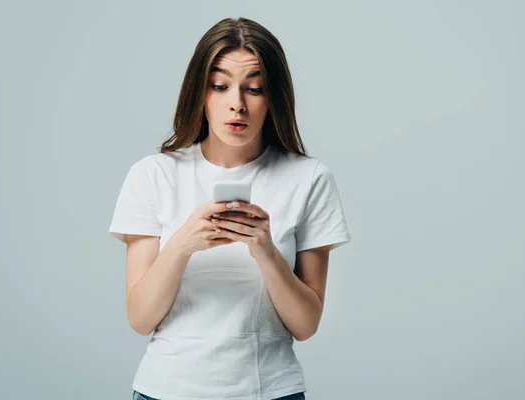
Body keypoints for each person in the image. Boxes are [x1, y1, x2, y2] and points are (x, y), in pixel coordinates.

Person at [109, 17, 351, 400]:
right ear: (199, 93)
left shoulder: (309, 179)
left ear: (273, 98)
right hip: (165, 391)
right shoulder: (153, 175)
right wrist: (182, 244)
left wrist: (266, 252)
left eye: (254, 89)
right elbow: (140, 319)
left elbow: (305, 325)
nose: (236, 104)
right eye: (220, 86)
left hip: (271, 391)